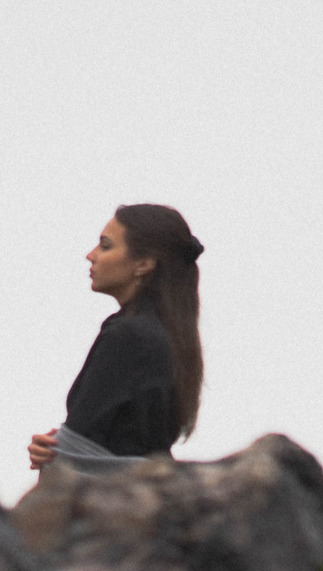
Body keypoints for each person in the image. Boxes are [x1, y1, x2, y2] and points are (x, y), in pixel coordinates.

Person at [27, 203, 205, 473]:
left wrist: (61, 451)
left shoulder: (129, 335)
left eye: (106, 246)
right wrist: (54, 445)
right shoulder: (168, 334)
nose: (91, 255)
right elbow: (121, 440)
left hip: (110, 506)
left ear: (143, 264)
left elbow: (82, 441)